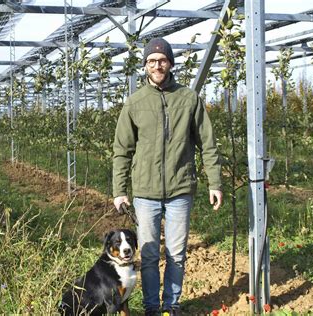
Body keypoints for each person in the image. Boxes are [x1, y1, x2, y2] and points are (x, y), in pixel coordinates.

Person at [112, 37, 223, 316]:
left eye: (162, 60)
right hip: (145, 192)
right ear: (146, 66)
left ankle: (171, 305)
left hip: (180, 190)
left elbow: (207, 144)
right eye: (151, 61)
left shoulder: (189, 99)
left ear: (170, 63)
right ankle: (151, 307)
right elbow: (122, 150)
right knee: (149, 255)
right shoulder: (135, 103)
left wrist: (215, 183)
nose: (157, 65)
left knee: (176, 254)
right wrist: (119, 189)